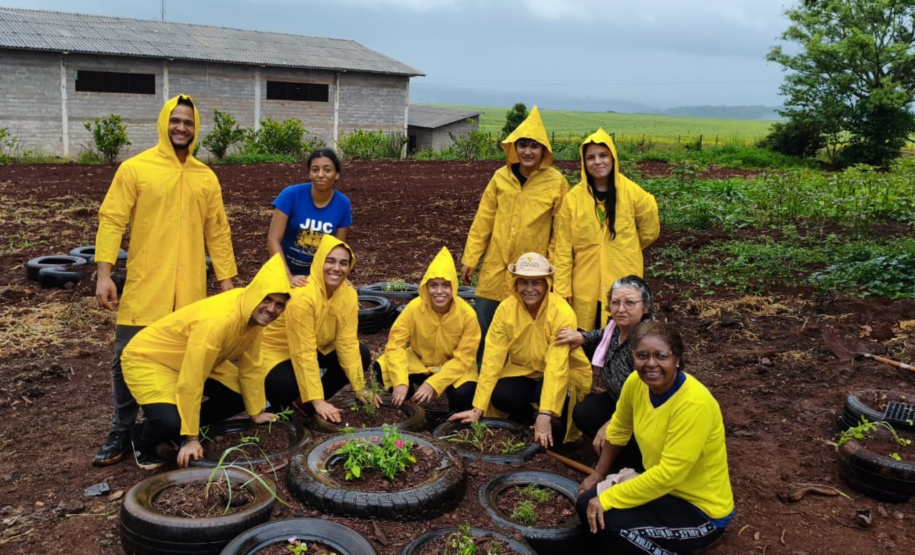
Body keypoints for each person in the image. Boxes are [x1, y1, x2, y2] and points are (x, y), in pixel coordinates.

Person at [93, 94, 238, 466]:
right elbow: (112, 219)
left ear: (196, 128)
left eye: (188, 122)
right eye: (175, 120)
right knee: (125, 358)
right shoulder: (135, 169)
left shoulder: (206, 177)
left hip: (189, 289)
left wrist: (226, 284)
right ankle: (121, 430)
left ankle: (166, 424)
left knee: (181, 359)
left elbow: (218, 232)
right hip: (145, 283)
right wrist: (105, 273)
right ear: (164, 122)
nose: (181, 127)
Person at [121, 254, 290, 470]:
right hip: (151, 359)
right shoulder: (219, 321)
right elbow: (192, 380)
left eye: (279, 305)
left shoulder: (253, 316)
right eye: (267, 300)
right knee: (168, 422)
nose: (272, 309)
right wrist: (191, 438)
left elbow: (251, 367)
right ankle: (141, 438)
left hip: (199, 359)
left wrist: (255, 411)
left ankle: (179, 429)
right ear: (255, 293)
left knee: (240, 396)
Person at [577, 322, 734, 554]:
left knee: (610, 524)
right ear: (633, 358)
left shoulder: (694, 404)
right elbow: (619, 429)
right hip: (662, 491)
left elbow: (669, 474)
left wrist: (609, 497)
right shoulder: (636, 383)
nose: (651, 364)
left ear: (677, 359)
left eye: (661, 356)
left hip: (701, 511)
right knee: (586, 505)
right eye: (642, 356)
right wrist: (599, 473)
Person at [450, 253, 591, 449]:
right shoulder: (506, 309)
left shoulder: (562, 312)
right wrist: (478, 407)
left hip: (566, 371)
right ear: (515, 283)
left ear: (547, 283)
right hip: (522, 369)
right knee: (502, 395)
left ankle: (565, 438)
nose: (530, 289)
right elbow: (492, 357)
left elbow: (557, 365)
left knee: (556, 395)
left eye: (537, 283)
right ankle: (526, 420)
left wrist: (545, 412)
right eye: (523, 282)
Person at [460, 106, 568, 362]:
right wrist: (470, 258)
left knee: (526, 329)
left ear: (544, 150)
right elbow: (483, 221)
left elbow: (561, 233)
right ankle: (480, 380)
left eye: (534, 146)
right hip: (495, 268)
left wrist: (554, 271)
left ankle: (520, 381)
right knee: (485, 326)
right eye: (522, 145)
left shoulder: (556, 182)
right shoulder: (500, 178)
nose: (528, 151)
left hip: (532, 271)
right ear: (514, 148)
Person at [242, 235, 378, 423]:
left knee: (361, 353)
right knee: (285, 385)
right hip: (277, 350)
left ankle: (304, 404)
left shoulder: (348, 295)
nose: (336, 268)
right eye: (330, 261)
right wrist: (318, 399)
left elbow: (347, 342)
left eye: (343, 263)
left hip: (315, 346)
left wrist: (359, 387)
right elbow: (302, 351)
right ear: (319, 261)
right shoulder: (303, 297)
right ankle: (287, 405)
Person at [554, 128, 659, 331]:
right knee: (586, 339)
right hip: (585, 284)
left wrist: (624, 248)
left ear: (613, 158)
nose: (598, 162)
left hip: (623, 278)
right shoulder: (573, 199)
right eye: (591, 157)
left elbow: (649, 230)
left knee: (625, 338)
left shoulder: (633, 193)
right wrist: (562, 288)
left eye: (603, 155)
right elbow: (563, 248)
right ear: (584, 163)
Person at [556, 275, 654, 457]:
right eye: (615, 302)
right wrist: (583, 337)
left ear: (646, 307)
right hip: (618, 399)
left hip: (646, 411)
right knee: (584, 412)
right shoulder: (617, 327)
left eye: (630, 303)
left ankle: (633, 462)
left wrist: (613, 423)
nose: (621, 309)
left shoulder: (649, 343)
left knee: (619, 432)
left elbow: (652, 398)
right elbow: (603, 335)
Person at [375, 247, 480, 412]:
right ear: (426, 287)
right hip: (420, 362)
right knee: (382, 369)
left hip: (453, 367)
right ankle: (408, 404)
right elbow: (395, 345)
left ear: (454, 287)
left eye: (446, 285)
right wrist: (401, 381)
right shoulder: (414, 307)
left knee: (464, 393)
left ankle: (454, 419)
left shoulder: (467, 314)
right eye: (433, 285)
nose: (439, 292)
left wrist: (433, 384)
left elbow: (464, 359)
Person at [267, 148, 352, 287]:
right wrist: (288, 276)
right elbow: (273, 240)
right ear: (310, 174)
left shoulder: (343, 203)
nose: (320, 175)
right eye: (315, 169)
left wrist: (338, 279)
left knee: (347, 296)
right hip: (284, 269)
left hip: (318, 275)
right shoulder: (290, 195)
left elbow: (337, 248)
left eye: (327, 170)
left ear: (336, 175)